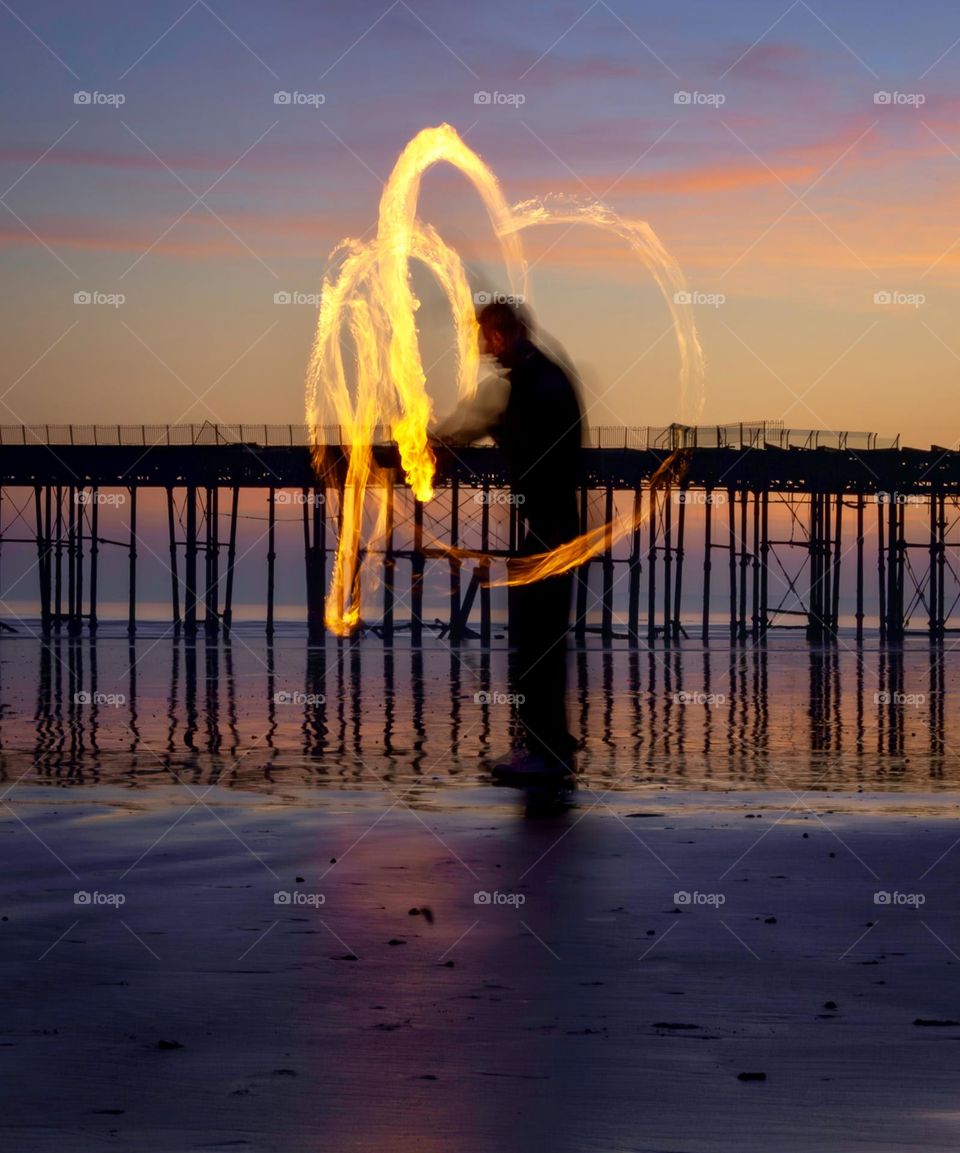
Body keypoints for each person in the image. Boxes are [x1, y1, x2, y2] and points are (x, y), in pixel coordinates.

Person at [437, 300, 584, 784]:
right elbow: (483, 421)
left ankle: (546, 753)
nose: (482, 347)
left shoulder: (539, 385)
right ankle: (548, 747)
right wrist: (439, 444)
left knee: (535, 644)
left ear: (508, 335)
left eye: (488, 337)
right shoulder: (534, 381)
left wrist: (439, 444)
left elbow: (490, 421)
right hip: (546, 527)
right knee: (534, 643)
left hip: (551, 531)